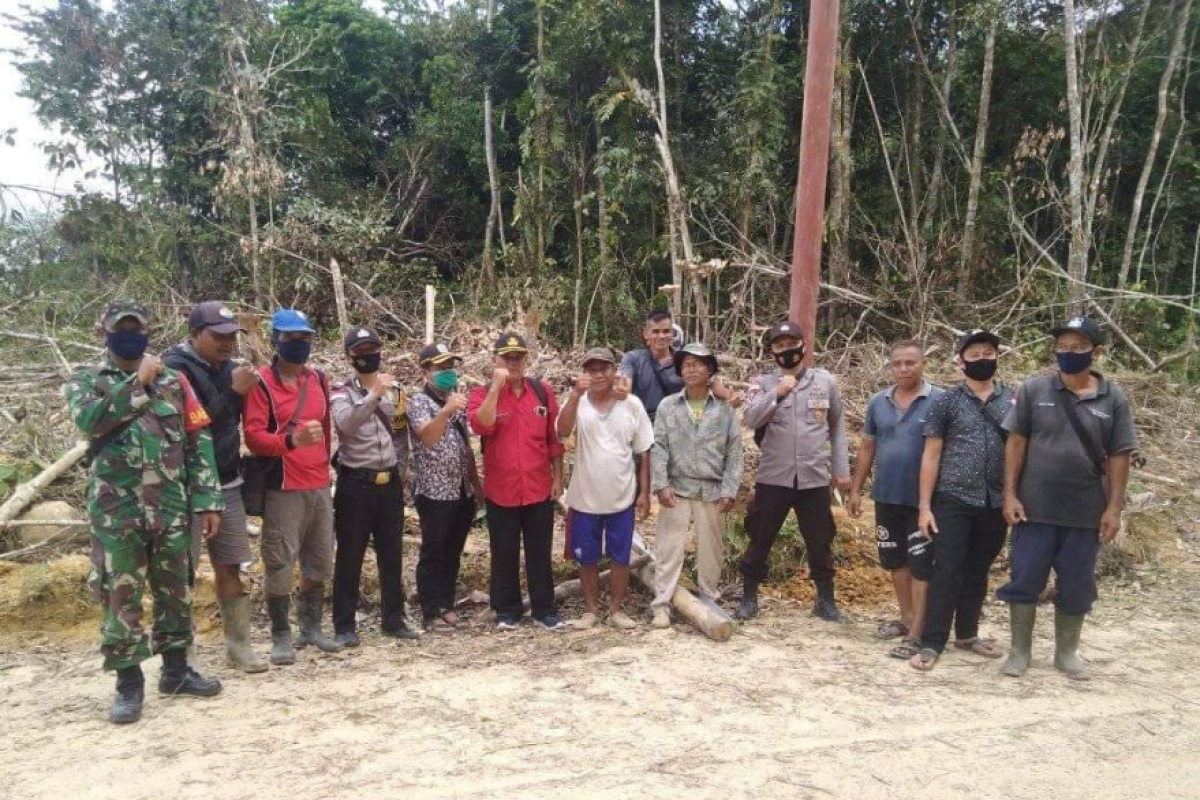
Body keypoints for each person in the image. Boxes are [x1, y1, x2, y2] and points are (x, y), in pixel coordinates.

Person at [64, 300, 224, 724]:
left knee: (176, 590)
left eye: (136, 328)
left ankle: (175, 672)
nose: (130, 335)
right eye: (122, 329)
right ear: (106, 333)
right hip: (117, 510)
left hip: (170, 506)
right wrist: (137, 383)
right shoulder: (87, 381)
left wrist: (207, 500)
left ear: (148, 332)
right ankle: (128, 684)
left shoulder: (175, 382)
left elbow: (197, 440)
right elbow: (91, 422)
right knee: (121, 595)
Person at [998, 317, 1138, 679]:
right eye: (1063, 347)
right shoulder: (1034, 390)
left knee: (1077, 583)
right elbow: (1016, 442)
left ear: (1097, 352)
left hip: (1085, 511)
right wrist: (1010, 494)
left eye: (1078, 347)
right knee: (1025, 578)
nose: (1068, 353)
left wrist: (1114, 508)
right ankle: (1019, 652)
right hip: (1034, 508)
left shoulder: (1113, 398)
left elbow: (1121, 454)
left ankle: (1067, 653)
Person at [163, 301, 268, 673]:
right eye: (218, 336)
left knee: (231, 563)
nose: (227, 344)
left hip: (227, 481)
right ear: (194, 335)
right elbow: (193, 428)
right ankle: (183, 655)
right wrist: (236, 393)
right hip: (185, 488)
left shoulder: (228, 369)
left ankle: (239, 648)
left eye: (231, 336)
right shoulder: (173, 369)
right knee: (181, 572)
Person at [910, 329, 1013, 671]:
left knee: (978, 570)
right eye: (974, 354)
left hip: (995, 500)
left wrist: (1014, 495)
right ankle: (932, 642)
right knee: (947, 570)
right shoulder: (947, 402)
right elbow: (931, 454)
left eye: (988, 353)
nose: (982, 359)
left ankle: (967, 634)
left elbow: (1020, 450)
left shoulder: (1012, 401)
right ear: (961, 361)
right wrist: (925, 506)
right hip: (952, 498)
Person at [243, 309, 342, 664]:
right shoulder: (262, 385)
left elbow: (327, 428)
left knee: (319, 558)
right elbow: (254, 438)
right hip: (283, 486)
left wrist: (327, 467)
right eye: (290, 338)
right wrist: (291, 441)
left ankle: (311, 627)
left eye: (304, 338)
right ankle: (281, 633)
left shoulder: (319, 379)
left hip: (318, 483)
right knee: (280, 561)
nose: (298, 345)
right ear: (275, 341)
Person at [737, 320, 850, 622]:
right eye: (779, 346)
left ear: (803, 345)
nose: (786, 350)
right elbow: (750, 418)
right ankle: (749, 597)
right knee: (760, 536)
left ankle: (825, 599)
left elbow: (837, 427)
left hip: (813, 477)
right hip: (774, 476)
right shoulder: (762, 383)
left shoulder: (824, 381)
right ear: (772, 351)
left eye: (791, 344)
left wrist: (841, 469)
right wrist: (777, 393)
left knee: (820, 538)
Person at [848, 340, 942, 659]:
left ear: (922, 364)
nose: (903, 369)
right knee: (895, 561)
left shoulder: (939, 400)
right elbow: (867, 448)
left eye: (910, 363)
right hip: (886, 496)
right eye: (897, 363)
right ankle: (906, 619)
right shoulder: (878, 402)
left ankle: (919, 631)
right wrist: (856, 490)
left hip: (923, 501)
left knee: (921, 565)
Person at [468, 332, 567, 631]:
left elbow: (554, 438)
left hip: (538, 486)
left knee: (540, 551)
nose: (513, 363)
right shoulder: (481, 393)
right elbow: (481, 425)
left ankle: (544, 610)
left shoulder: (542, 391)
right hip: (501, 490)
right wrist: (496, 388)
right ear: (495, 360)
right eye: (506, 358)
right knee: (504, 552)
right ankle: (507, 611)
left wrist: (559, 478)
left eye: (518, 358)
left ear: (526, 360)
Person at [329, 327, 418, 647]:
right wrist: (375, 394)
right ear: (350, 356)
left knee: (392, 554)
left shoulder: (396, 390)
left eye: (373, 348)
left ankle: (394, 620)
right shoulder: (340, 391)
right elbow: (346, 424)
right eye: (361, 350)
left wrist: (401, 472)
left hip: (389, 483)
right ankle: (344, 625)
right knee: (350, 556)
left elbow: (401, 433)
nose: (369, 355)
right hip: (356, 483)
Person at [557, 347, 654, 629]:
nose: (598, 375)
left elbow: (644, 450)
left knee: (620, 557)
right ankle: (590, 611)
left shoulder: (631, 404)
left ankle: (615, 611)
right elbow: (562, 431)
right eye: (592, 369)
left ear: (615, 371)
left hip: (621, 497)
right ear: (585, 373)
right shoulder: (578, 402)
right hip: (584, 498)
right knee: (586, 558)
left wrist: (644, 494)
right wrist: (575, 395)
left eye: (604, 369)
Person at [649, 343, 743, 629]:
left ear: (710, 370)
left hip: (712, 491)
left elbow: (734, 452)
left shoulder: (724, 411)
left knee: (711, 550)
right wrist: (660, 484)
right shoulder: (669, 406)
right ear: (680, 371)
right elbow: (659, 447)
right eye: (686, 364)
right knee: (668, 548)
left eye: (698, 364)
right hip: (676, 489)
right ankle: (661, 605)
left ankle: (709, 600)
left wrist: (730, 490)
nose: (691, 369)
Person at [408, 343, 482, 632]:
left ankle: (446, 603)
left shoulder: (456, 399)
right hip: (435, 491)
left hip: (461, 489)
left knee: (453, 550)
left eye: (451, 366)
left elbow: (465, 445)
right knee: (433, 551)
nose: (448, 372)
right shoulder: (419, 403)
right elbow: (427, 436)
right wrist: (447, 411)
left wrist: (476, 484)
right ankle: (429, 611)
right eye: (440, 367)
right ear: (425, 372)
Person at [619, 310, 741, 422]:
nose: (661, 336)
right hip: (643, 424)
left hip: (677, 423)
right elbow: (625, 383)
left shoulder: (684, 361)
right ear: (646, 334)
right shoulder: (633, 359)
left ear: (672, 334)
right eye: (655, 331)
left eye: (666, 331)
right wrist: (622, 390)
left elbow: (710, 381)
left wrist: (728, 396)